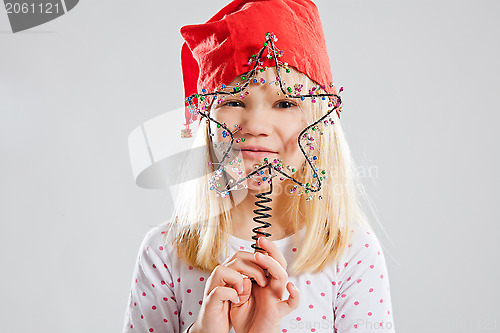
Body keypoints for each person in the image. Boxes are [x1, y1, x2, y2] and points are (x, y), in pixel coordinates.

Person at [122, 0, 395, 332]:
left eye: (285, 102)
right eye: (234, 101)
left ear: (321, 122)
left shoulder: (351, 252)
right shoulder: (165, 253)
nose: (256, 125)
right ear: (207, 122)